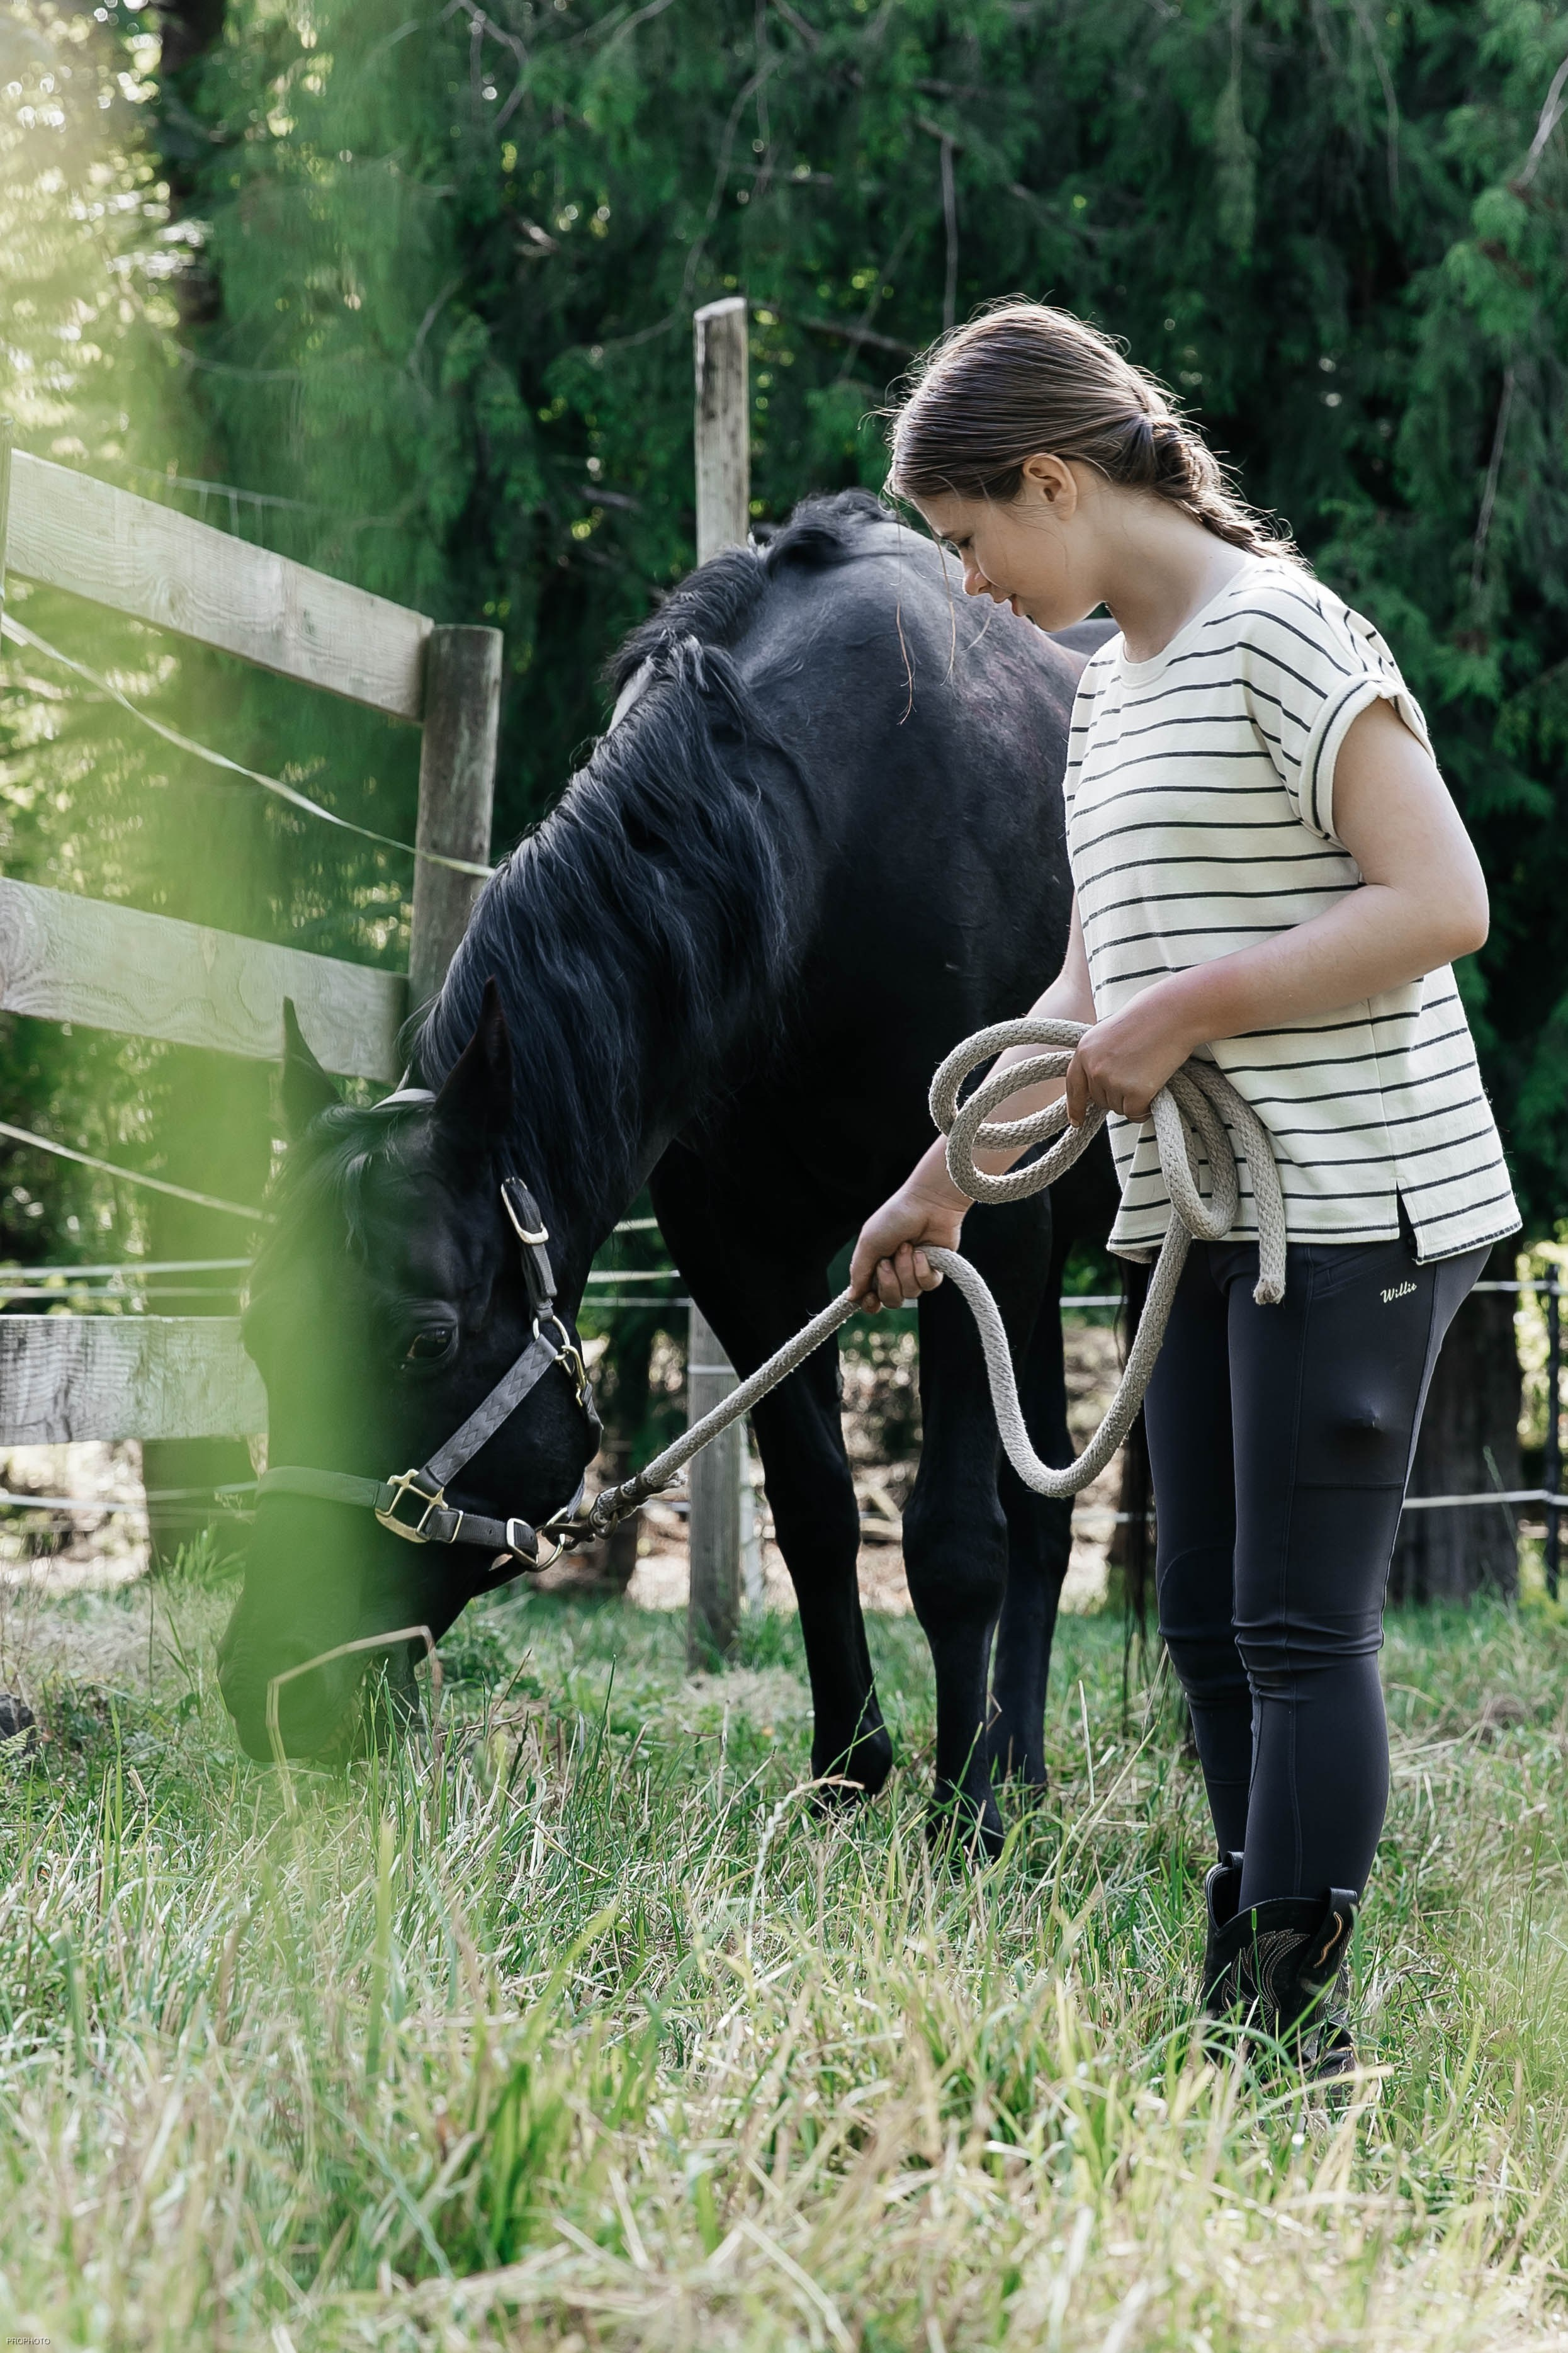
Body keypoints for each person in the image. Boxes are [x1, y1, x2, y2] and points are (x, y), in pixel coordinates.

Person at [849, 302, 1519, 2073]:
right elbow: (1085, 992)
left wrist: (1195, 1007)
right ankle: (1256, 1967)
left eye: (971, 538)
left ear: (1053, 480)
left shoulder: (1282, 637)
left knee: (1296, 1623)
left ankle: (1285, 2024)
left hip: (1353, 1202)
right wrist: (939, 1183)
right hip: (1208, 1218)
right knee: (1205, 1613)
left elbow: (1438, 897)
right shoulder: (1111, 696)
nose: (970, 582)